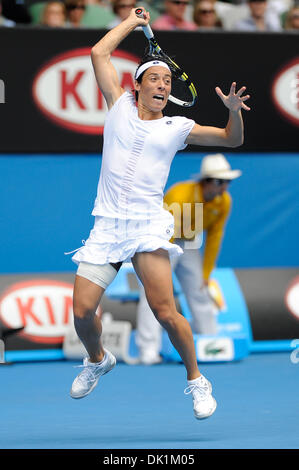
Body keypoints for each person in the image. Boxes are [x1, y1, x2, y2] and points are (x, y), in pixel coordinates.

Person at [69, 7, 250, 420]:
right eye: (155, 77)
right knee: (81, 312)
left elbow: (231, 141)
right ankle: (98, 358)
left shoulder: (178, 127)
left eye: (167, 81)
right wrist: (132, 23)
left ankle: (196, 381)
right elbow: (99, 53)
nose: (162, 84)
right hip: (107, 225)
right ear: (137, 85)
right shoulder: (116, 105)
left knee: (165, 312)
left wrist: (234, 111)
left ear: (170, 92)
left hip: (147, 227)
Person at [136, 153, 241, 365]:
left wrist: (206, 273)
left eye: (228, 181)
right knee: (154, 294)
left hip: (189, 242)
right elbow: (167, 235)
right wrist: (160, 271)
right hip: (160, 239)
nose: (225, 187)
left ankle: (212, 344)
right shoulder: (180, 196)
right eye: (220, 182)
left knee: (201, 291)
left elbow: (214, 237)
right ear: (206, 181)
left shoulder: (223, 202)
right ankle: (147, 351)